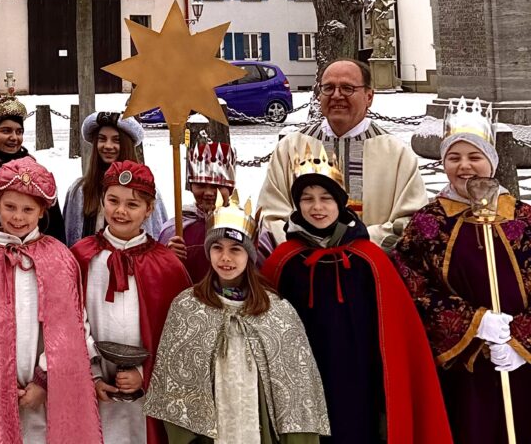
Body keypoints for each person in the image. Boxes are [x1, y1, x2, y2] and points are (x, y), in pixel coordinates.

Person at [262, 149, 451, 444]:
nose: (317, 207)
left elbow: (398, 334)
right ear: (296, 205)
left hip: (361, 381)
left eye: (326, 198)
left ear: (341, 203)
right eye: (307, 199)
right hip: (302, 384)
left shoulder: (370, 260)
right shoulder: (284, 261)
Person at [393, 97, 531, 444]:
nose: (464, 166)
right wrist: (475, 322)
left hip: (523, 362)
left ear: (492, 162)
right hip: (462, 366)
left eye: (475, 156)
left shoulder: (523, 218)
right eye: (454, 157)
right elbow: (412, 288)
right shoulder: (428, 223)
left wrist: (520, 339)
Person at [145, 191, 330, 444]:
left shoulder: (277, 312)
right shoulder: (188, 307)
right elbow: (175, 391)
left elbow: (297, 394)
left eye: (236, 249)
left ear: (250, 255)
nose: (226, 258)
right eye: (217, 248)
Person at [0, 158, 101, 444]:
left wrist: (44, 381)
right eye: (10, 207)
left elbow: (70, 331)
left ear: (42, 212)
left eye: (28, 209)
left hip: (45, 393)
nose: (18, 217)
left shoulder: (58, 258)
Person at [71, 160, 190, 444]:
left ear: (149, 210)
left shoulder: (167, 265)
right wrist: (94, 375)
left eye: (133, 205)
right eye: (113, 201)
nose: (121, 211)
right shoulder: (81, 256)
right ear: (102, 201)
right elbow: (73, 320)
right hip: (95, 389)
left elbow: (178, 335)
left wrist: (143, 373)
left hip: (146, 395)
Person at [257, 59, 425, 248]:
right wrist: (305, 244)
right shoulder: (290, 147)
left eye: (347, 88)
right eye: (328, 88)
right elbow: (270, 215)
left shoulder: (396, 154)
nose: (337, 95)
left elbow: (413, 221)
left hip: (371, 267)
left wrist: (358, 240)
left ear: (369, 96)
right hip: (303, 267)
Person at [0, 96, 66, 240]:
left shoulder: (34, 172)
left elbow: (54, 226)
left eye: (19, 132)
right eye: (6, 131)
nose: (14, 137)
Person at [65, 111, 169, 244]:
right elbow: (69, 237)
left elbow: (157, 235)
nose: (108, 146)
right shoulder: (79, 190)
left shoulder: (147, 191)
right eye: (102, 139)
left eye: (116, 140)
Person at [156, 134, 236, 281]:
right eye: (200, 185)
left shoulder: (241, 226)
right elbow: (159, 275)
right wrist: (168, 257)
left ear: (230, 188)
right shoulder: (177, 228)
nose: (208, 193)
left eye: (217, 186)